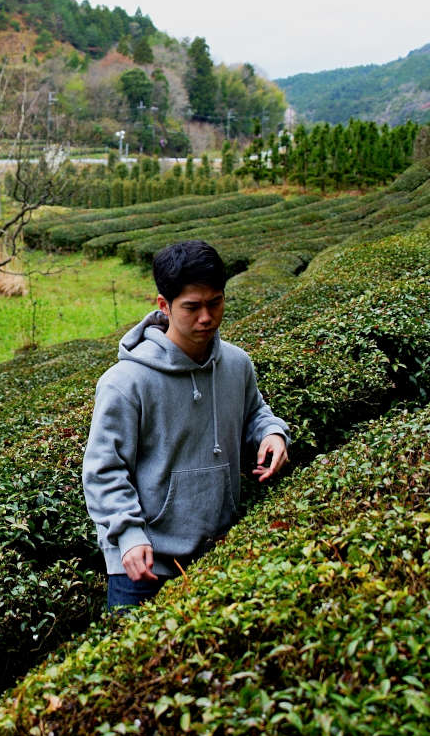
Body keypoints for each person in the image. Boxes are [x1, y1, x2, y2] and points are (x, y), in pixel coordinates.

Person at [82, 239, 290, 611]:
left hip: (218, 551)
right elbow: (103, 469)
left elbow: (254, 412)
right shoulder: (125, 382)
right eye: (192, 307)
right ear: (164, 305)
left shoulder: (237, 364)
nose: (206, 317)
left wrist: (272, 432)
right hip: (142, 566)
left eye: (216, 302)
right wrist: (128, 535)